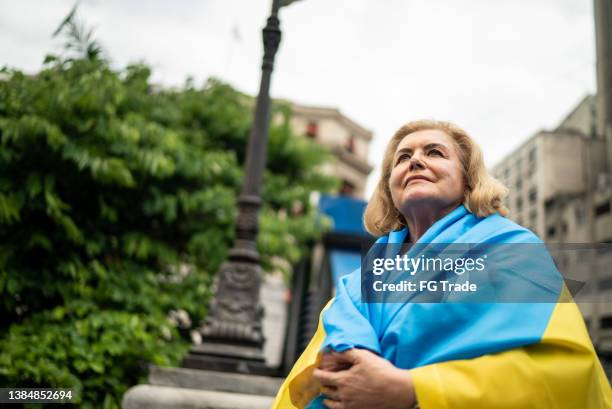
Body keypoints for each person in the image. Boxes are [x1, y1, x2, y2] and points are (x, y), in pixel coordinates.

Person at [271, 120, 612, 409]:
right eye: (403, 158)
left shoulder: (514, 250)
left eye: (434, 152)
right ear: (390, 188)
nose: (415, 161)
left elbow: (562, 371)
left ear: (468, 180)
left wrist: (412, 389)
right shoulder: (355, 283)